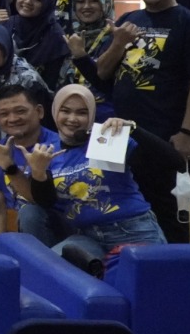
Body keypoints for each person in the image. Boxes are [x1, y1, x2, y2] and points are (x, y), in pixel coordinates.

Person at [18, 84, 171, 273]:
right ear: (55, 111)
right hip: (87, 237)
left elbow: (174, 162)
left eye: (82, 112)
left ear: (91, 115)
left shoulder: (105, 139)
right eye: (65, 111)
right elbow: (46, 203)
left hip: (132, 230)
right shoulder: (48, 150)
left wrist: (133, 128)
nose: (72, 119)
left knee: (150, 288)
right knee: (51, 273)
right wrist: (38, 173)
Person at [97, 0, 190, 172]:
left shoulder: (188, 22)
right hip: (119, 130)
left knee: (161, 192)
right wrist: (118, 43)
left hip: (164, 134)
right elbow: (102, 72)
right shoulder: (127, 19)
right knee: (114, 191)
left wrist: (188, 133)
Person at [0, 84, 61, 245]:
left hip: (48, 229)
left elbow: (40, 201)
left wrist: (9, 167)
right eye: (4, 114)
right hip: (13, 232)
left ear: (39, 111)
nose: (13, 119)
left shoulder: (57, 147)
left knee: (29, 212)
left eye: (20, 111)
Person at [61, 0, 116, 119]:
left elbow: (108, 83)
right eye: (80, 1)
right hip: (69, 116)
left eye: (94, 1)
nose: (86, 6)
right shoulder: (69, 37)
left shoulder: (116, 38)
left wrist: (80, 55)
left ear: (106, 3)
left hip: (104, 117)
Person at [9, 0, 72, 90]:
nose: (28, 1)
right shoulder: (6, 24)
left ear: (48, 3)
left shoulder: (56, 37)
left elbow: (52, 83)